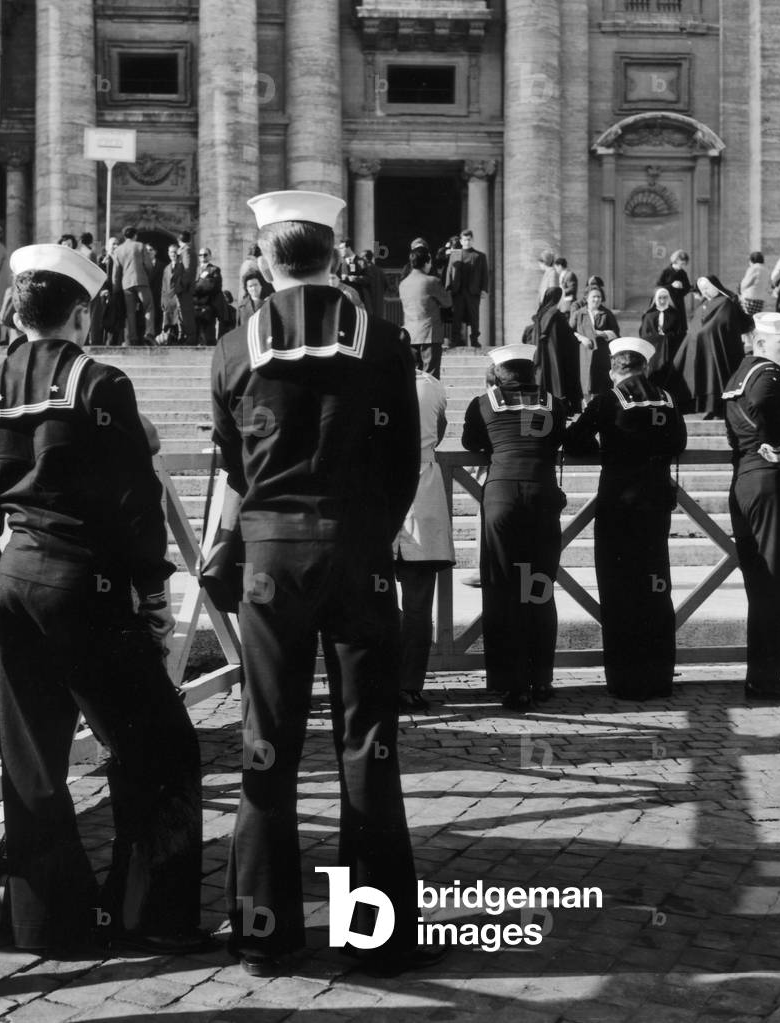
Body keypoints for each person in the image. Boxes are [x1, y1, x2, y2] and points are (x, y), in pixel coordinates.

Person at [0, 244, 205, 953]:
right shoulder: (99, 382)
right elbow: (135, 498)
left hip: (14, 585)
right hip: (85, 585)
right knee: (160, 747)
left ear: (16, 312)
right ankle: (151, 914)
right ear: (81, 311)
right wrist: (153, 588)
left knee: (34, 762)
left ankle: (46, 920)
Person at [213, 189, 436, 978]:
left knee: (267, 742)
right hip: (359, 549)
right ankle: (375, 935)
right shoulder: (382, 342)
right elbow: (406, 458)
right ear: (334, 257)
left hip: (272, 557)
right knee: (368, 741)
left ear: (266, 259)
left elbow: (233, 465)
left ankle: (265, 933)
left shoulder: (234, 346)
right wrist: (370, 531)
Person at [564, 338, 687, 700]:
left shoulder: (608, 400)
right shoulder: (667, 398)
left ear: (613, 370)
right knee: (655, 588)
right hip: (656, 504)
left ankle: (626, 680)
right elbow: (677, 442)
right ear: (644, 367)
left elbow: (573, 440)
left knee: (620, 592)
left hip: (619, 505)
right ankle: (659, 676)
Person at [461, 344, 566, 710]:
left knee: (503, 589)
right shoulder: (555, 403)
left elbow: (471, 442)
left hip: (502, 495)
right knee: (539, 588)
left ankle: (511, 683)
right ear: (531, 370)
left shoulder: (483, 402)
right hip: (542, 494)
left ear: (500, 372)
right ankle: (542, 679)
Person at [723, 312, 780, 701]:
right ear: (760, 344)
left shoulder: (741, 371)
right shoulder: (768, 376)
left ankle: (763, 673)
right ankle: (766, 677)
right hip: (769, 484)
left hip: (744, 481)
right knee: (773, 582)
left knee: (761, 583)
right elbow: (770, 418)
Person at [394, 350, 455, 711]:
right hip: (424, 496)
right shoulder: (433, 386)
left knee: (375, 605)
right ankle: (409, 685)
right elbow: (442, 431)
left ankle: (378, 681)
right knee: (418, 608)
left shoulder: (373, 382)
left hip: (382, 500)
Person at [674, 274, 753, 420]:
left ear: (716, 287)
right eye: (702, 289)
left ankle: (717, 409)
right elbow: (695, 324)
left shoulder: (725, 302)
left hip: (718, 347)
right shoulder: (703, 305)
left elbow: (721, 323)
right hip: (700, 347)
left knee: (716, 379)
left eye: (707, 288)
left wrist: (703, 334)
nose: (704, 292)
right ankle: (704, 407)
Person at [524, 285, 583, 415]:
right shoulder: (556, 315)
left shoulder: (541, 313)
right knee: (558, 380)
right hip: (555, 355)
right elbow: (567, 337)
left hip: (543, 354)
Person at [398, 247, 452, 378]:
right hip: (429, 334)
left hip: (410, 334)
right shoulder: (431, 281)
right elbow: (447, 302)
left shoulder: (403, 284)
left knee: (414, 376)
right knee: (431, 376)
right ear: (427, 262)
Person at [570, 284, 620, 401]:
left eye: (599, 297)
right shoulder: (579, 314)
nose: (597, 299)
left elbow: (616, 332)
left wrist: (601, 333)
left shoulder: (607, 313)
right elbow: (569, 332)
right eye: (594, 297)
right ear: (587, 298)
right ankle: (586, 407)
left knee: (600, 383)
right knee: (585, 382)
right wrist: (582, 338)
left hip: (601, 354)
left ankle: (599, 408)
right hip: (584, 354)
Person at [445, 228, 489, 349]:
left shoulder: (480, 256)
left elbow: (484, 274)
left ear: (472, 240)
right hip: (457, 291)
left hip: (473, 291)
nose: (467, 242)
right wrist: (448, 288)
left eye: (469, 239)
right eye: (464, 240)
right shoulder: (454, 255)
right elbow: (449, 271)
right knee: (457, 316)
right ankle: (455, 339)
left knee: (474, 316)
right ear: (461, 240)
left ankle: (474, 339)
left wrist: (484, 289)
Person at [113, 226, 155, 346]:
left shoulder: (118, 250)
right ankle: (149, 333)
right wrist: (148, 276)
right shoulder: (140, 246)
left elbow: (116, 272)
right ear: (135, 235)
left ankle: (133, 338)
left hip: (126, 284)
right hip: (141, 280)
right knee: (148, 306)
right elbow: (148, 265)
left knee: (130, 311)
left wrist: (116, 289)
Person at [639, 286, 685, 377]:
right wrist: (657, 339)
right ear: (655, 299)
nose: (662, 301)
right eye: (660, 298)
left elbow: (680, 333)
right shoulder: (649, 315)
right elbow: (644, 334)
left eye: (665, 297)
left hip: (670, 349)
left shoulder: (675, 314)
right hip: (653, 350)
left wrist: (667, 338)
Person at [657, 250, 693, 337]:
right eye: (682, 263)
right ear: (676, 261)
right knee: (669, 326)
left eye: (684, 264)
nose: (683, 266)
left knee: (680, 328)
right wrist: (671, 286)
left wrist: (682, 286)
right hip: (668, 303)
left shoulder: (683, 273)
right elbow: (659, 287)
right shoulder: (666, 271)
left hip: (679, 302)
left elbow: (687, 287)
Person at [160, 242, 191, 343]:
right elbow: (164, 286)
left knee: (180, 321)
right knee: (169, 323)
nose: (172, 254)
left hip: (178, 297)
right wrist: (162, 300)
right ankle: (170, 340)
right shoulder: (166, 268)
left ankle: (182, 339)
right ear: (168, 253)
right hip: (168, 299)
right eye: (170, 252)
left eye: (174, 252)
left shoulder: (182, 266)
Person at [194, 246, 224, 345]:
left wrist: (196, 288)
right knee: (196, 335)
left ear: (210, 256)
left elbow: (213, 286)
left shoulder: (214, 269)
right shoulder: (195, 270)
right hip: (194, 306)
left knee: (209, 335)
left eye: (205, 254)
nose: (203, 256)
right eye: (200, 255)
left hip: (208, 306)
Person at [739, 251, 769, 317]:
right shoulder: (766, 270)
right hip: (761, 300)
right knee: (754, 320)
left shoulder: (754, 268)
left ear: (752, 260)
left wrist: (740, 291)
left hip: (750, 299)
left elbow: (745, 284)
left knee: (746, 319)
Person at [361, 248, 388, 319]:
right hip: (379, 303)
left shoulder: (365, 271)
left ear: (365, 258)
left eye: (362, 257)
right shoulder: (379, 270)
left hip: (369, 303)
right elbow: (386, 285)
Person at [145, 243, 165, 335]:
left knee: (158, 318)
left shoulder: (162, 266)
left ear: (155, 252)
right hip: (146, 296)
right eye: (147, 250)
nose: (149, 252)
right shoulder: (141, 265)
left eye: (151, 249)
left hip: (157, 296)